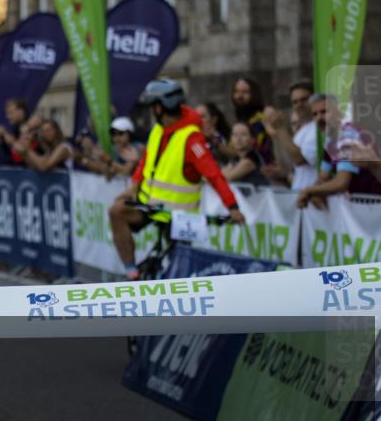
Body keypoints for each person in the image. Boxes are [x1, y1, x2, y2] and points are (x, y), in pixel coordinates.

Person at [109, 79, 245, 280]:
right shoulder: (158, 131)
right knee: (116, 211)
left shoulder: (192, 139)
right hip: (153, 206)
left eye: (150, 108)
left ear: (158, 107)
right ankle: (132, 273)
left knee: (178, 268)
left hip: (179, 216)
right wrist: (134, 186)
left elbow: (214, 175)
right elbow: (145, 163)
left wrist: (232, 206)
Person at [296, 94, 381, 207]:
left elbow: (341, 183)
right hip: (364, 208)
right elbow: (323, 177)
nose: (319, 118)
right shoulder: (330, 139)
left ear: (338, 112)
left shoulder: (349, 133)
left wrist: (309, 191)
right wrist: (315, 193)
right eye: (315, 114)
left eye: (324, 112)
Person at [262, 81, 317, 191]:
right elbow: (286, 166)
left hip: (315, 196)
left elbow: (300, 160)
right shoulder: (302, 131)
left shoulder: (319, 128)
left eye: (304, 100)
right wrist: (275, 136)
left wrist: (280, 129)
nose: (299, 105)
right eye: (295, 102)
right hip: (300, 195)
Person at [231, 77, 273, 163]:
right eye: (236, 92)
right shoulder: (240, 119)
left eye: (245, 92)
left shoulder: (263, 117)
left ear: (255, 95)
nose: (239, 96)